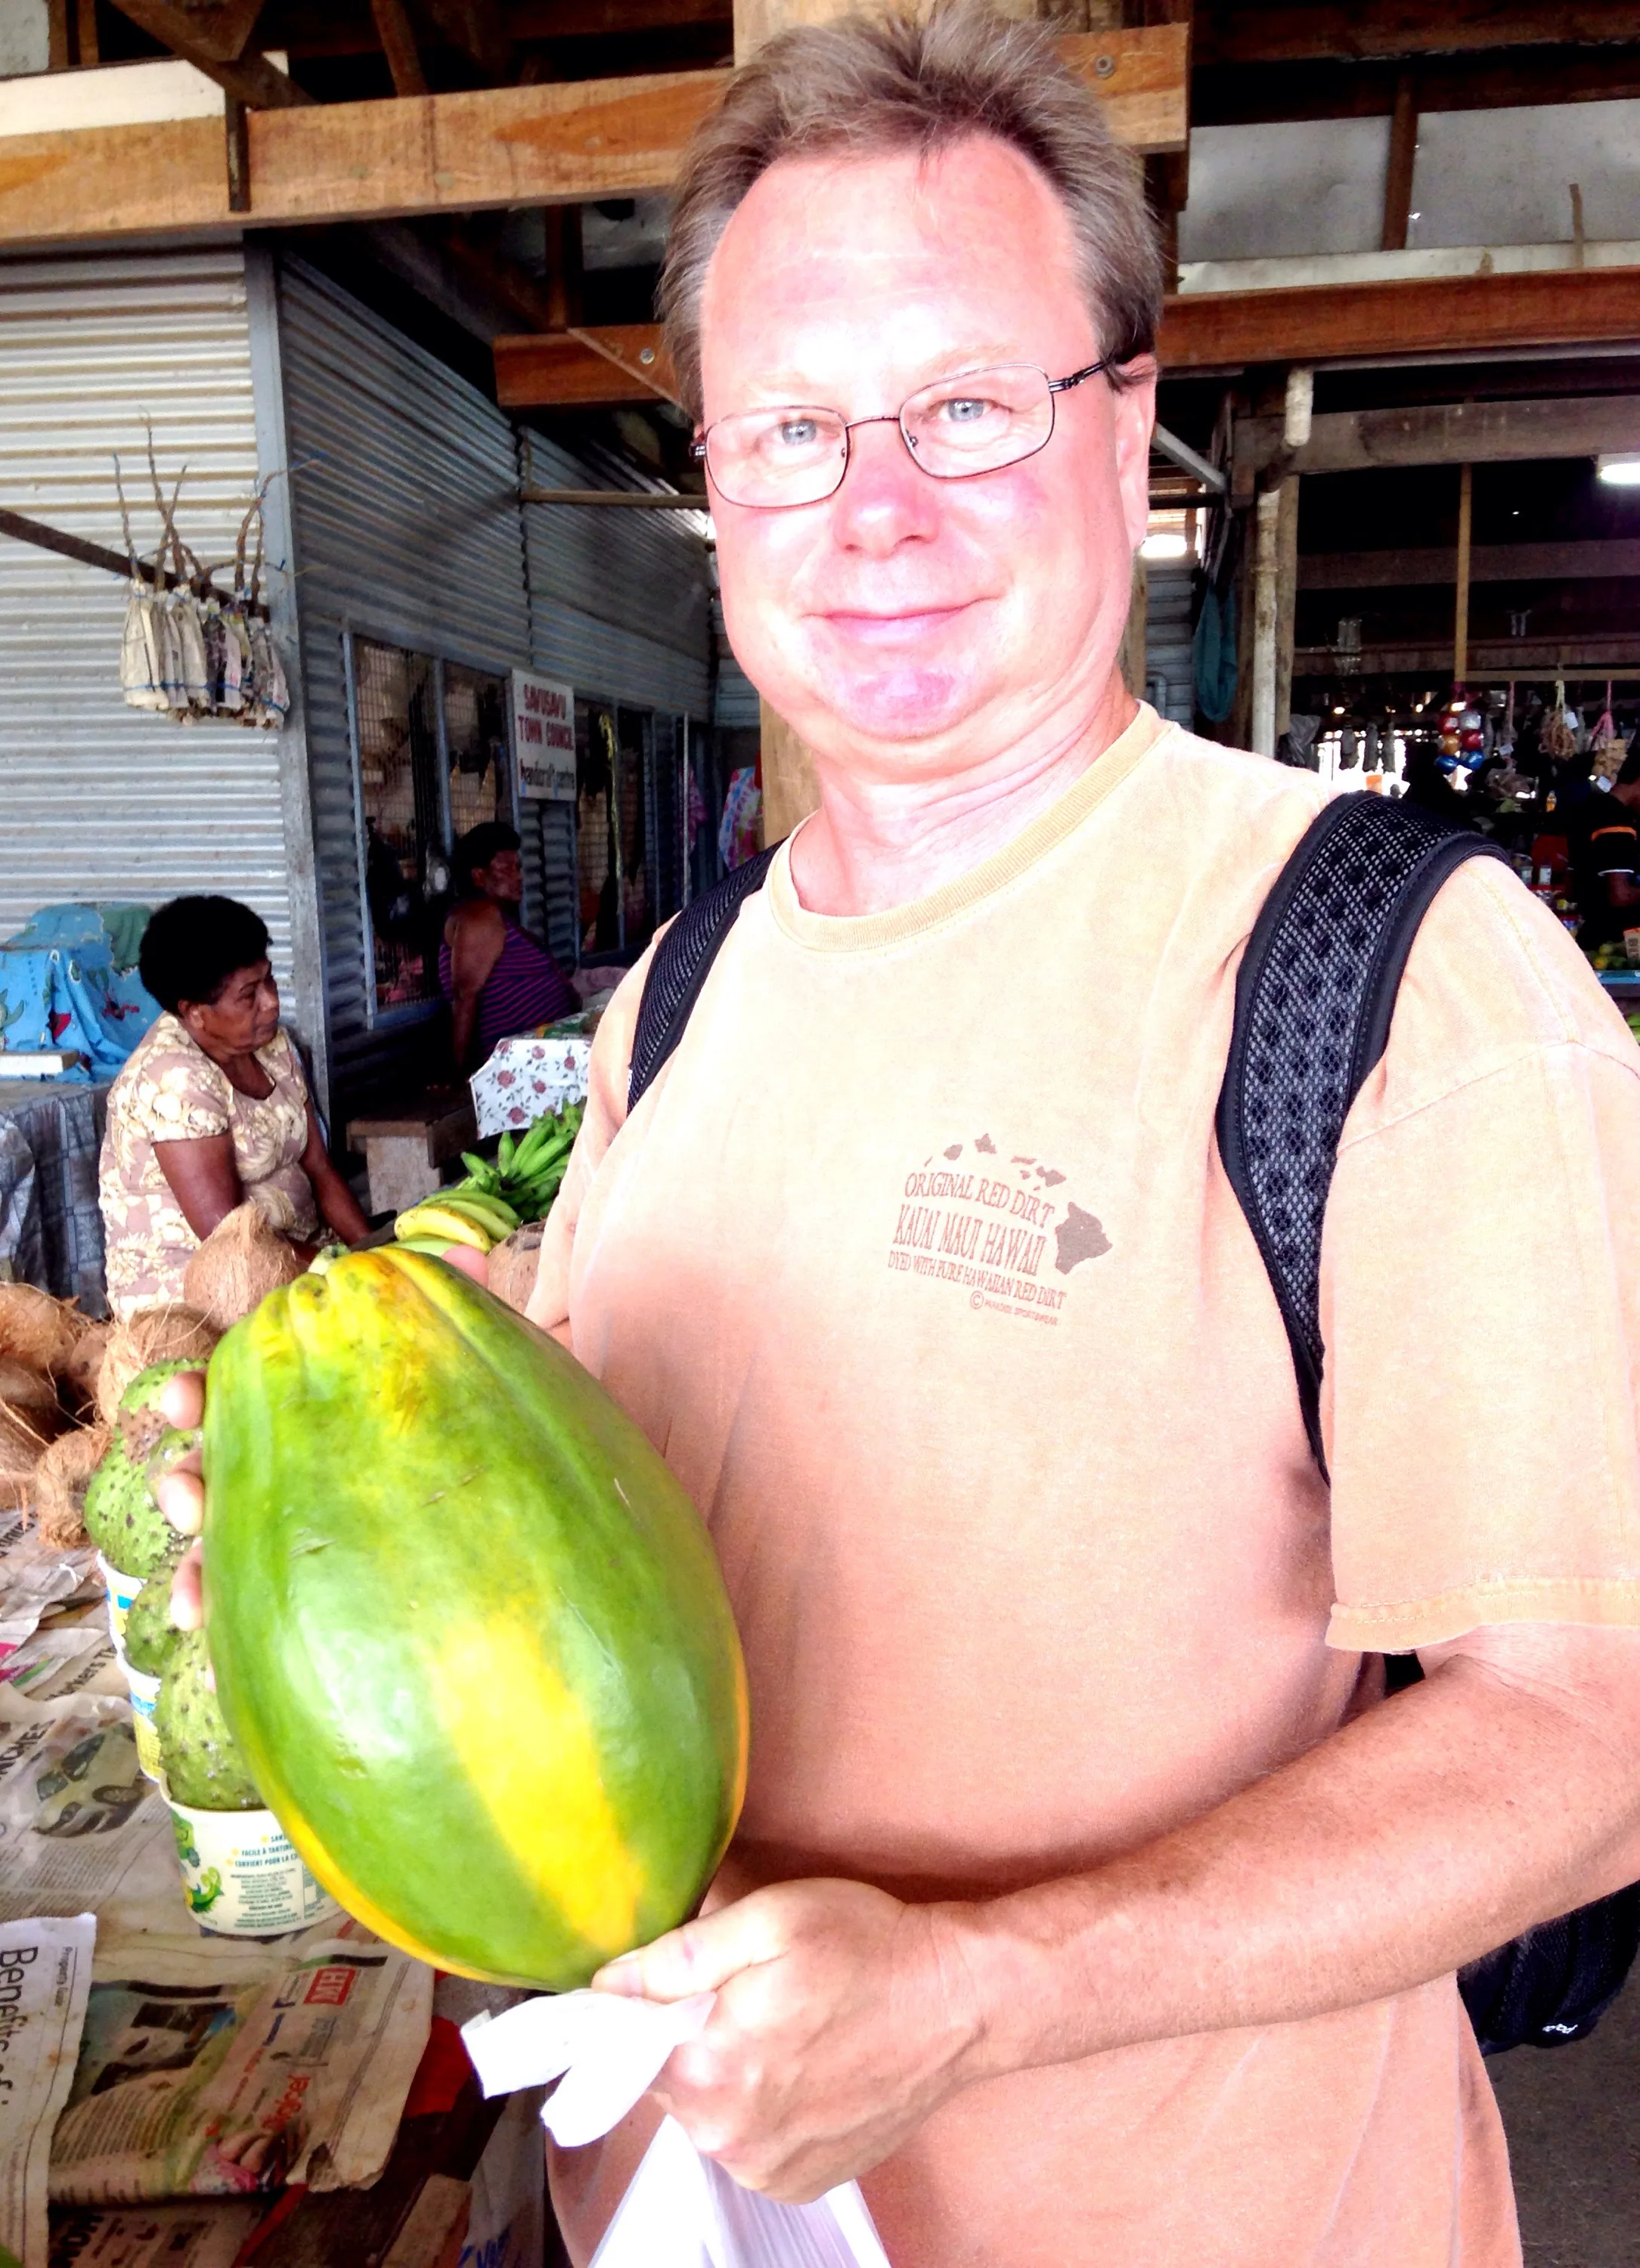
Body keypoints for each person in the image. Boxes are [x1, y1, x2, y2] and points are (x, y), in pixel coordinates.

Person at [161, 11, 1640, 2264]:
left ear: (1127, 421)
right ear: (718, 481)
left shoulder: (1400, 976)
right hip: (676, 2210)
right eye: (793, 427)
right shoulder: (691, 981)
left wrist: (985, 1982)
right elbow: (598, 1487)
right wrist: (314, 1513)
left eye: (968, 404)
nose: (878, 512)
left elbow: (1590, 1725)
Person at [100, 895, 368, 1315]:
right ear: (195, 1013)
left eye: (269, 980)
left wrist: (369, 1253)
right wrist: (343, 1278)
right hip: (201, 1296)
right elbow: (228, 1237)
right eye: (249, 994)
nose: (272, 1002)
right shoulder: (173, 1078)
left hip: (304, 1260)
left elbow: (319, 1168)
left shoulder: (273, 1045)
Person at [440, 823, 579, 1073]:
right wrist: (458, 1072)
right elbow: (465, 998)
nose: (519, 877)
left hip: (544, 1052)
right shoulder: (479, 916)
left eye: (518, 868)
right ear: (479, 876)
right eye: (507, 869)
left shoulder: (498, 917)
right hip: (516, 1065)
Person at [1570, 748, 1640, 950]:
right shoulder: (1615, 819)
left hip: (1593, 933)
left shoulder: (1594, 807)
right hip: (1614, 938)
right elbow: (1620, 895)